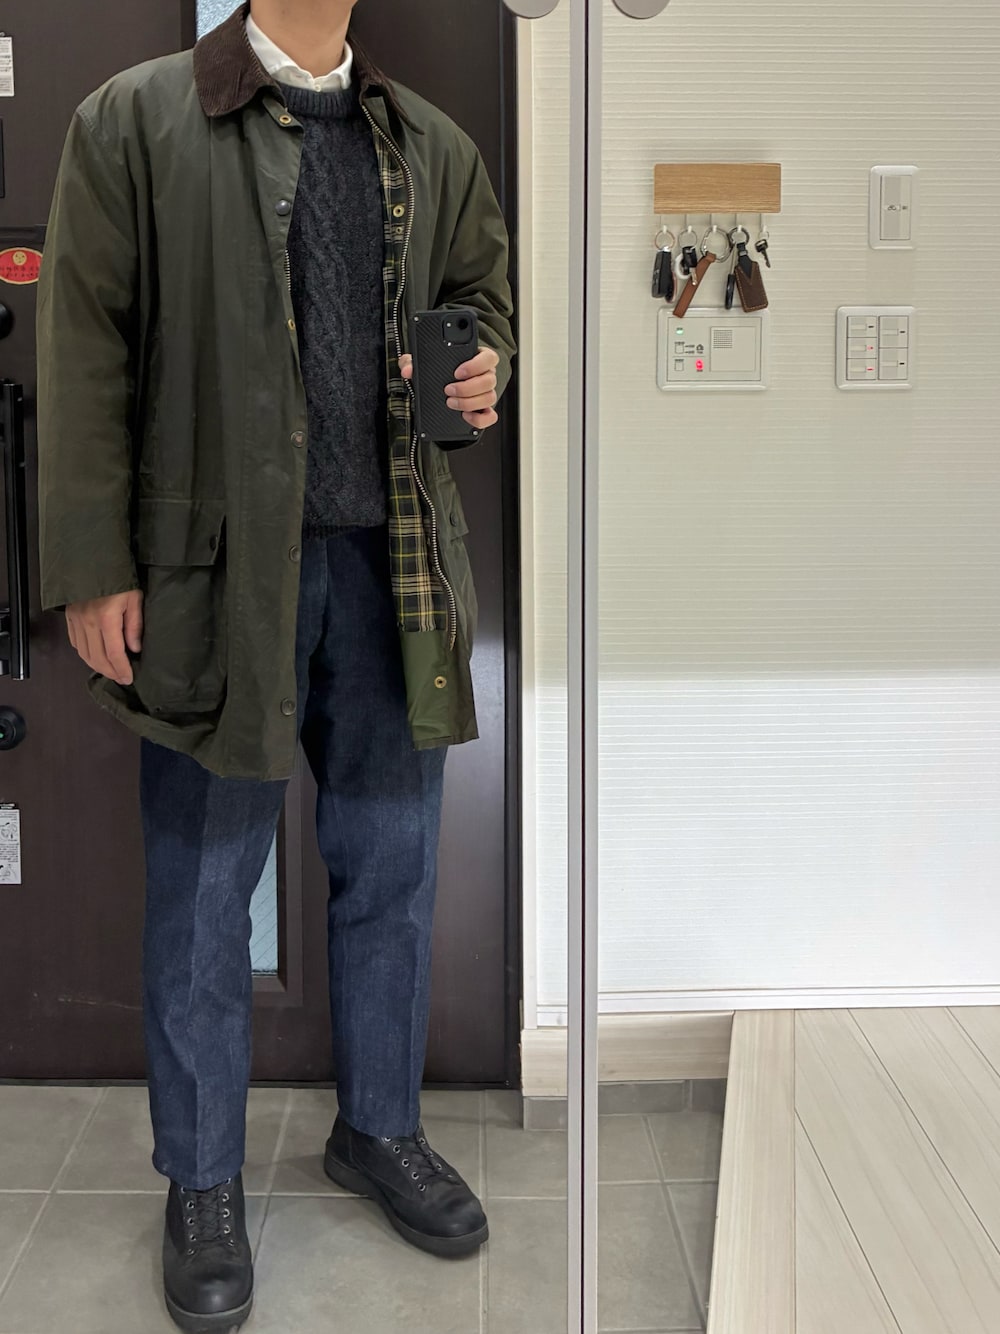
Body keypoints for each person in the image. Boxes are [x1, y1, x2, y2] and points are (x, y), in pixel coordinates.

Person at [36, 0, 515, 1328]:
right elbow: (84, 347)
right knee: (201, 895)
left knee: (394, 870)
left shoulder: (428, 143)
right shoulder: (136, 121)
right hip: (213, 578)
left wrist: (484, 365)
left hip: (393, 569)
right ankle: (201, 1181)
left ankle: (380, 1127)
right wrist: (93, 563)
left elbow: (482, 302)